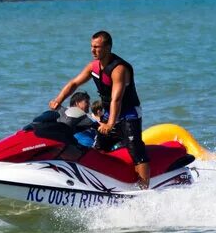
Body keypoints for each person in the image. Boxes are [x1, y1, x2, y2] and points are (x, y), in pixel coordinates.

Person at [50, 30, 150, 189]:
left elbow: (116, 99)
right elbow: (74, 84)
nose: (92, 50)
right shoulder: (93, 67)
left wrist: (110, 124)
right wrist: (58, 99)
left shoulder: (119, 69)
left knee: (135, 148)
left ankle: (145, 189)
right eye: (91, 46)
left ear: (108, 48)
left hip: (129, 112)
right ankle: (99, 183)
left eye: (97, 47)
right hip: (110, 112)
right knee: (99, 147)